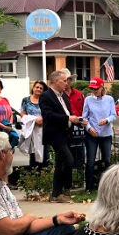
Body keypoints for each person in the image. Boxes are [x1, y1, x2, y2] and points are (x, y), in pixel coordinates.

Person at [39, 70, 84, 202]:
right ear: (55, 81)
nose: (66, 83)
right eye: (63, 81)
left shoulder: (63, 96)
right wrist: (68, 118)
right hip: (55, 134)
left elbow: (67, 113)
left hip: (66, 133)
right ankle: (65, 189)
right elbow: (48, 115)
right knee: (68, 160)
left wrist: (78, 121)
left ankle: (57, 194)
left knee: (60, 163)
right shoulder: (46, 96)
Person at [81, 77, 115, 191]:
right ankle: (89, 187)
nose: (94, 91)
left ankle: (107, 186)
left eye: (96, 88)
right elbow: (84, 117)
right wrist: (89, 128)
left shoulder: (109, 99)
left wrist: (106, 120)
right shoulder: (88, 100)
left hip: (106, 134)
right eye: (92, 89)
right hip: (92, 134)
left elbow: (113, 115)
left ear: (102, 87)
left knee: (107, 160)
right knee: (90, 161)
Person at [20, 80, 49, 168]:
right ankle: (33, 173)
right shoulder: (26, 100)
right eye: (37, 87)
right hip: (31, 131)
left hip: (44, 131)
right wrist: (34, 120)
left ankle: (45, 173)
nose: (38, 89)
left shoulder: (46, 100)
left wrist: (42, 120)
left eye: (41, 88)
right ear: (33, 88)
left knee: (45, 154)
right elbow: (22, 113)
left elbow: (49, 113)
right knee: (33, 155)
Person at [63, 71, 87, 173]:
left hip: (79, 126)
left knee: (80, 152)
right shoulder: (59, 95)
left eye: (68, 79)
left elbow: (85, 110)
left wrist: (84, 120)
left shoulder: (78, 94)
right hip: (65, 127)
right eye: (64, 80)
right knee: (67, 154)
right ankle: (69, 175)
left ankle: (80, 174)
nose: (67, 82)